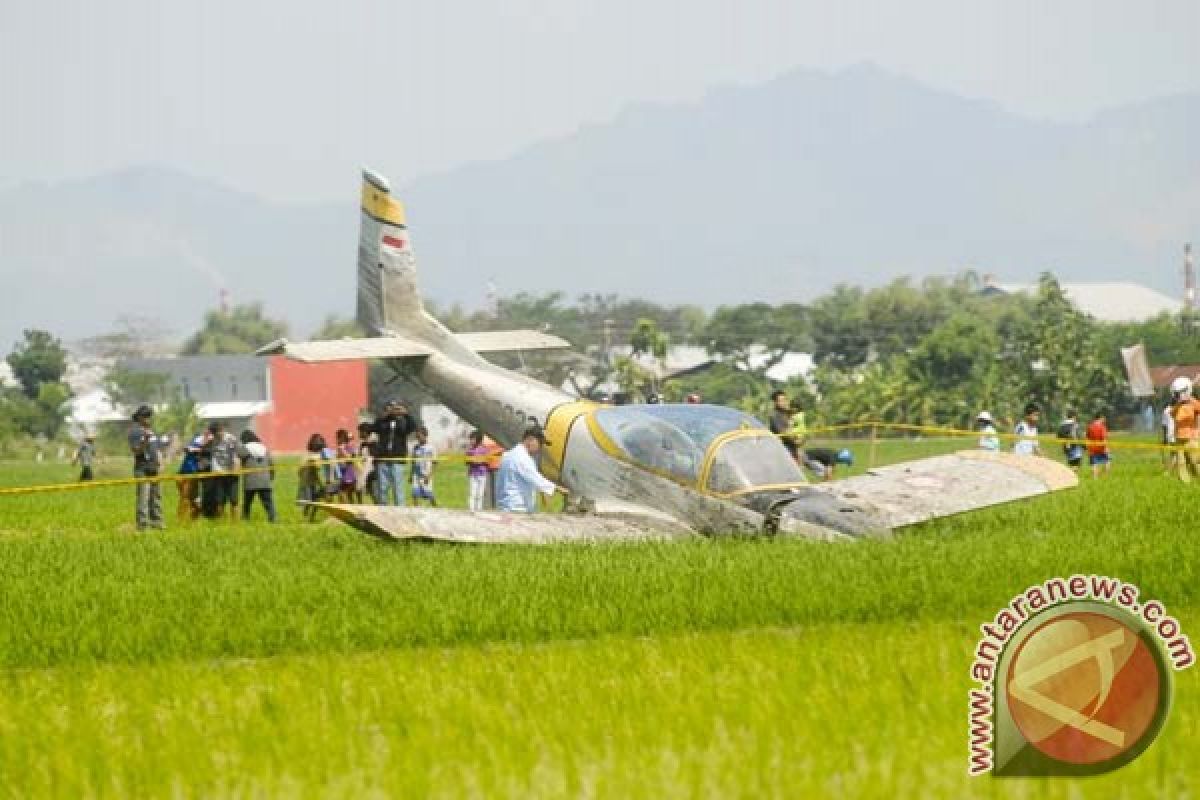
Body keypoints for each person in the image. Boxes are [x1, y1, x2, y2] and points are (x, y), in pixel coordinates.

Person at [496, 427, 567, 512]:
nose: (541, 447)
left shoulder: (509, 454)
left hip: (507, 506)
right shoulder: (521, 458)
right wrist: (561, 490)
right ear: (530, 440)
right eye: (540, 443)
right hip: (516, 507)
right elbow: (536, 479)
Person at [128, 405, 165, 531]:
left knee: (156, 497)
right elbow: (136, 451)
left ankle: (157, 523)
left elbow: (157, 449)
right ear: (139, 417)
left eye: (149, 416)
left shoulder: (151, 431)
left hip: (154, 468)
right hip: (142, 469)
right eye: (145, 416)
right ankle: (142, 526)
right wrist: (145, 440)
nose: (148, 419)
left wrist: (161, 463)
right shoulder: (135, 432)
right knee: (143, 499)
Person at [373, 400, 417, 505]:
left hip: (397, 460)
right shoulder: (382, 422)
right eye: (391, 407)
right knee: (382, 489)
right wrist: (385, 416)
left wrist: (406, 414)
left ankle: (400, 511)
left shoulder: (403, 422)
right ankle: (383, 510)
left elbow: (412, 427)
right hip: (383, 460)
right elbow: (374, 428)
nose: (394, 410)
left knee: (398, 489)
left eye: (396, 408)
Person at [238, 430, 277, 522]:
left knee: (247, 503)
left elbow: (238, 455)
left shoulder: (245, 448)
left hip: (250, 480)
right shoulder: (264, 448)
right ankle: (273, 518)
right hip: (265, 480)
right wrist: (271, 477)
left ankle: (245, 519)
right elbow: (271, 464)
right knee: (268, 503)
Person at [205, 422, 240, 522]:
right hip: (219, 474)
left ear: (222, 430)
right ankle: (221, 522)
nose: (217, 435)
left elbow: (236, 456)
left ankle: (235, 523)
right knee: (219, 501)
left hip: (232, 474)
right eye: (214, 434)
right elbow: (210, 455)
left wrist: (235, 468)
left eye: (218, 432)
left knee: (234, 500)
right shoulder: (213, 441)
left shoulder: (231, 439)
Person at [176, 428, 211, 521]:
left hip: (194, 472)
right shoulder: (197, 441)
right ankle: (183, 519)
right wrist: (194, 449)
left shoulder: (209, 445)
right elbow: (186, 449)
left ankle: (189, 519)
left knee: (189, 498)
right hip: (185, 472)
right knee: (186, 498)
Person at [1169, 377, 1200, 482]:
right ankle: (1185, 482)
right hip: (1179, 438)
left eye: (1179, 393)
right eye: (1176, 394)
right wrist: (1178, 404)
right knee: (1181, 462)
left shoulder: (1194, 403)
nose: (1177, 396)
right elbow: (1173, 414)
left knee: (1194, 460)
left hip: (1192, 438)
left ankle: (1197, 478)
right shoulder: (1177, 406)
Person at [297, 433, 327, 521]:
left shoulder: (319, 455)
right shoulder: (309, 455)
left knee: (315, 501)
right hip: (309, 482)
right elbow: (301, 470)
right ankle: (307, 516)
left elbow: (299, 471)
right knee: (310, 501)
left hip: (314, 482)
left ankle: (310, 517)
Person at [768, 390, 800, 462]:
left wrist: (799, 439)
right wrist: (796, 441)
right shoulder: (774, 416)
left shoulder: (788, 413)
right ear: (775, 402)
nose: (784, 402)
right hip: (783, 451)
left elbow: (797, 429)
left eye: (785, 400)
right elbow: (784, 433)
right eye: (781, 400)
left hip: (793, 449)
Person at [410, 426, 437, 506]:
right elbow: (413, 462)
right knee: (415, 494)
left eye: (419, 436)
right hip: (416, 474)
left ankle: (437, 509)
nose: (418, 439)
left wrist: (429, 476)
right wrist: (411, 475)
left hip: (426, 474)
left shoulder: (431, 448)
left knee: (429, 494)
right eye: (417, 437)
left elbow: (435, 463)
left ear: (425, 435)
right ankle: (416, 509)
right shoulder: (415, 447)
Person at [465, 430, 490, 511]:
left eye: (473, 439)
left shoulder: (484, 450)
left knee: (480, 493)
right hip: (473, 474)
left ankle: (479, 508)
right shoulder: (470, 450)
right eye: (470, 439)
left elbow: (487, 461)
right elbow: (467, 461)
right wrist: (471, 460)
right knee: (472, 492)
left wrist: (480, 461)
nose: (471, 441)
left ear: (478, 439)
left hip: (482, 474)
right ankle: (471, 509)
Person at [335, 429, 361, 503]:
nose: (337, 440)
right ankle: (351, 509)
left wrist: (342, 451)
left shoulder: (348, 447)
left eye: (338, 437)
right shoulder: (341, 448)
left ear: (342, 438)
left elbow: (350, 458)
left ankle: (348, 508)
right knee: (348, 494)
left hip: (349, 473)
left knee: (342, 492)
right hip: (343, 472)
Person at [1085, 410, 1111, 478]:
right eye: (1104, 418)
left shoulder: (1090, 426)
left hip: (1092, 448)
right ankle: (1105, 476)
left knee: (1094, 463)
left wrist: (1087, 448)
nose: (1104, 419)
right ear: (1101, 417)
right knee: (1107, 461)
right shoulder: (1102, 427)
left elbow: (1087, 438)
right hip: (1101, 448)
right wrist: (1106, 447)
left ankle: (1095, 477)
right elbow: (1104, 438)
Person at [483, 434, 504, 508]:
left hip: (498, 466)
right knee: (487, 492)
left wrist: (490, 453)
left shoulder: (500, 435)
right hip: (486, 466)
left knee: (498, 491)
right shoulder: (484, 436)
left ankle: (498, 508)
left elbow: (503, 449)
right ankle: (487, 508)